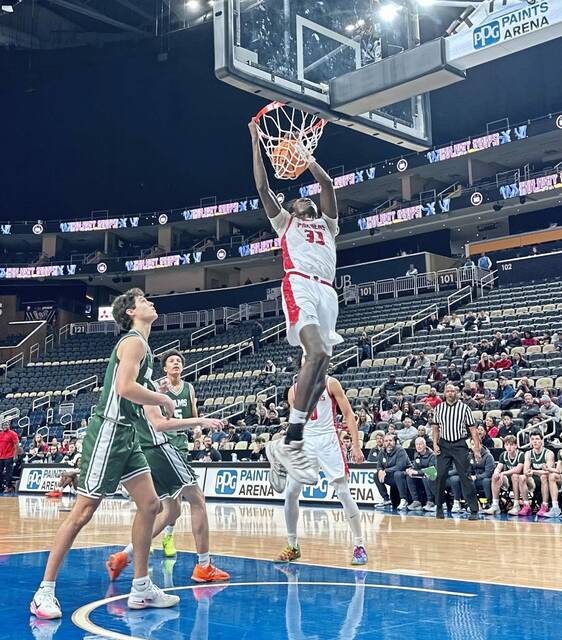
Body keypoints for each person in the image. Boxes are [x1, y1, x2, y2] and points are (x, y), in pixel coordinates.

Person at [31, 289, 180, 620]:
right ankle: (44, 591)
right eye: (143, 301)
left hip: (127, 433)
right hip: (109, 433)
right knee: (83, 512)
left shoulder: (143, 345)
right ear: (130, 312)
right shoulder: (133, 342)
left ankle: (141, 587)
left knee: (152, 505)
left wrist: (154, 396)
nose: (150, 303)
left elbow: (131, 391)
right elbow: (124, 388)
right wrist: (162, 398)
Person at [250, 119, 340, 485]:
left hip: (328, 292)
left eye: (307, 198)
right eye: (298, 197)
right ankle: (292, 440)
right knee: (315, 353)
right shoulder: (285, 222)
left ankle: (287, 443)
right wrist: (256, 141)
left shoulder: (329, 224)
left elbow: (328, 184)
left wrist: (307, 156)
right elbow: (261, 185)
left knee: (321, 375)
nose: (304, 197)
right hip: (300, 283)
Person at [105, 385, 230, 585]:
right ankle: (204, 566)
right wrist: (200, 421)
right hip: (160, 450)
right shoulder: (143, 387)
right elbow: (159, 424)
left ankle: (124, 556)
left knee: (171, 510)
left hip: (143, 452)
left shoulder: (128, 389)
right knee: (197, 499)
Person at [270, 369, 367, 565]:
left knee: (343, 492)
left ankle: (359, 545)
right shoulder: (294, 391)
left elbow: (348, 414)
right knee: (290, 492)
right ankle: (292, 545)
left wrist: (356, 446)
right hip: (307, 443)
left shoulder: (331, 383)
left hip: (328, 440)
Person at [432, 383, 481, 520]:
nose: (450, 393)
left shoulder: (464, 408)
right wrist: (435, 444)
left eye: (452, 391)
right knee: (440, 475)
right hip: (444, 445)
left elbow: (473, 430)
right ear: (444, 393)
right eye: (447, 391)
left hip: (460, 444)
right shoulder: (439, 408)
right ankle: (439, 507)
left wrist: (476, 449)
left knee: (465, 476)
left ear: (457, 393)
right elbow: (435, 428)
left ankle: (473, 509)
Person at [483, 435, 524, 516]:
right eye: (507, 445)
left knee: (515, 475)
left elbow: (518, 469)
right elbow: (498, 467)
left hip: (521, 481)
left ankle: (516, 505)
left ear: (516, 445)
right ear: (504, 446)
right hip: (508, 480)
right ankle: (495, 505)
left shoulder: (521, 454)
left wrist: (503, 473)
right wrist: (497, 473)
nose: (509, 447)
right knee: (495, 476)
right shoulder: (503, 455)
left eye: (511, 445)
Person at [518, 431, 555, 517]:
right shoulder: (528, 453)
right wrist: (530, 472)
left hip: (547, 480)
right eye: (532, 439)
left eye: (537, 439)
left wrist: (534, 471)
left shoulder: (549, 453)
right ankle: (526, 505)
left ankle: (545, 505)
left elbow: (548, 471)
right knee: (521, 477)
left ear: (542, 440)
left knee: (544, 476)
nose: (535, 441)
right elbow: (526, 471)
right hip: (533, 479)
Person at [374, 433, 411, 510]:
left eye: (390, 440)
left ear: (394, 442)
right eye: (386, 441)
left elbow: (400, 466)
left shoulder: (400, 450)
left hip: (405, 475)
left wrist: (386, 471)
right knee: (376, 475)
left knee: (397, 474)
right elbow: (379, 465)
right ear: (383, 443)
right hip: (392, 476)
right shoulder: (382, 452)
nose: (388, 443)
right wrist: (380, 471)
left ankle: (404, 500)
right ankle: (386, 499)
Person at [401, 437, 437, 512]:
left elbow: (432, 470)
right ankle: (416, 502)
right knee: (409, 476)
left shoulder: (432, 455)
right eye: (417, 444)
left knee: (426, 476)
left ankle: (430, 502)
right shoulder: (416, 454)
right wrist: (410, 470)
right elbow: (415, 467)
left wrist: (417, 472)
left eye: (420, 444)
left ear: (425, 445)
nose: (418, 446)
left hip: (432, 476)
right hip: (422, 475)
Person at [0, 421, 19, 493]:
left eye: (6, 424)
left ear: (9, 425)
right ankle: (1, 486)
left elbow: (16, 445)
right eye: (3, 425)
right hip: (1, 456)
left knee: (8, 472)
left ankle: (9, 487)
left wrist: (15, 455)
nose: (5, 426)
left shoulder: (13, 434)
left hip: (9, 456)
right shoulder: (0, 434)